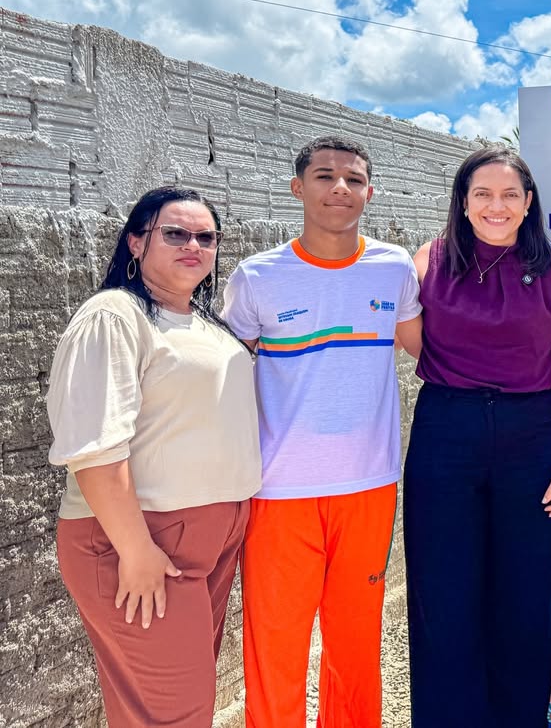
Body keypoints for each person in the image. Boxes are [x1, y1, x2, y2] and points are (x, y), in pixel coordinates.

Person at [222, 135, 421, 727]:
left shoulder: (393, 268)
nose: (340, 188)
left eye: (354, 179)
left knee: (355, 644)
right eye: (325, 176)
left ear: (370, 192)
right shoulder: (257, 277)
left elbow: (432, 354)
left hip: (369, 487)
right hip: (278, 490)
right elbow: (223, 376)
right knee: (275, 647)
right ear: (297, 187)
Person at [47, 187, 261, 727]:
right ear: (137, 242)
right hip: (142, 540)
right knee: (173, 713)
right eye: (175, 233)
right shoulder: (113, 316)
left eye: (206, 237)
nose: (194, 245)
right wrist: (136, 549)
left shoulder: (206, 323)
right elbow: (94, 446)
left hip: (211, 537)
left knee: (170, 704)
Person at [404, 145, 551, 727]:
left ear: (528, 203)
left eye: (510, 194)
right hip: (445, 431)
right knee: (442, 592)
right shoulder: (428, 261)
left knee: (525, 594)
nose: (496, 205)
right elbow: (414, 342)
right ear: (463, 202)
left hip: (528, 434)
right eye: (482, 193)